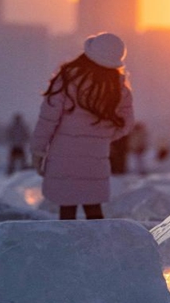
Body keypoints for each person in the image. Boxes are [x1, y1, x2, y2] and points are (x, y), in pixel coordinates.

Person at [30, 32, 134, 220]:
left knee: (66, 211)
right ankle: (99, 248)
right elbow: (126, 124)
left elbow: (48, 119)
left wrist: (38, 150)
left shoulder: (66, 80)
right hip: (96, 158)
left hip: (63, 156)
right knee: (94, 212)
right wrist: (102, 136)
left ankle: (66, 249)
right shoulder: (118, 88)